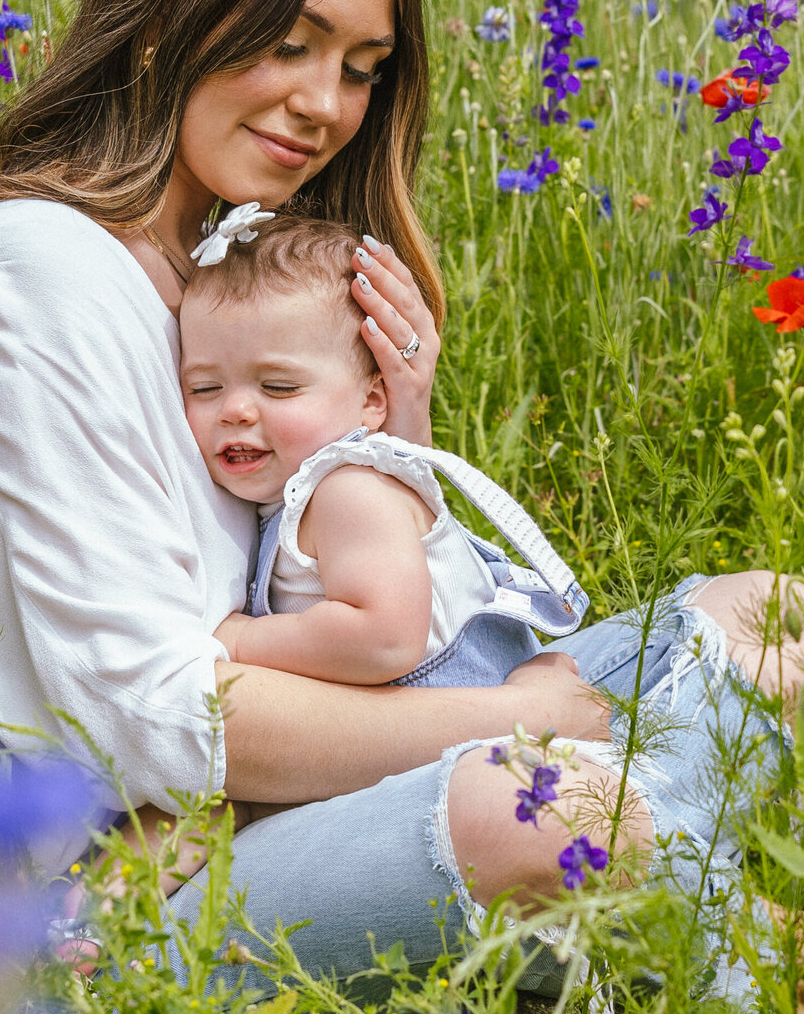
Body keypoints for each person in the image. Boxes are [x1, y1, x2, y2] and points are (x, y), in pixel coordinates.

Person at [0, 0, 804, 989]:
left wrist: (391, 439)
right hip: (136, 888)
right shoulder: (38, 270)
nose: (326, 105)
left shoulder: (221, 275)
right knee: (546, 804)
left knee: (769, 620)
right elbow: (148, 724)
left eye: (360, 68)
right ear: (170, 17)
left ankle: (638, 890)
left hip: (273, 802)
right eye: (294, 46)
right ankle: (715, 942)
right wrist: (533, 722)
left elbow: (365, 608)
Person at [181, 211, 589, 687]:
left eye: (277, 386)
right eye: (205, 388)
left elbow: (385, 638)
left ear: (371, 400)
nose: (236, 410)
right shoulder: (310, 491)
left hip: (472, 723)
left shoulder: (350, 491)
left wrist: (239, 640)